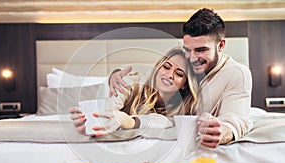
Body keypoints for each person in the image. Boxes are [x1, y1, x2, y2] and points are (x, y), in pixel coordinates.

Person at [108, 8, 253, 148]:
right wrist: (115, 74)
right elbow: (146, 78)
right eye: (188, 50)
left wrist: (222, 132)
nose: (193, 58)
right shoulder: (185, 63)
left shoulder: (236, 74)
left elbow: (236, 120)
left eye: (201, 50)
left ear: (220, 46)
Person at [70, 47, 198, 135]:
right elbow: (107, 112)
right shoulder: (131, 84)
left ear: (185, 85)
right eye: (166, 67)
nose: (169, 75)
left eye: (179, 74)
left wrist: (128, 121)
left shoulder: (180, 110)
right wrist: (89, 123)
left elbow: (162, 122)